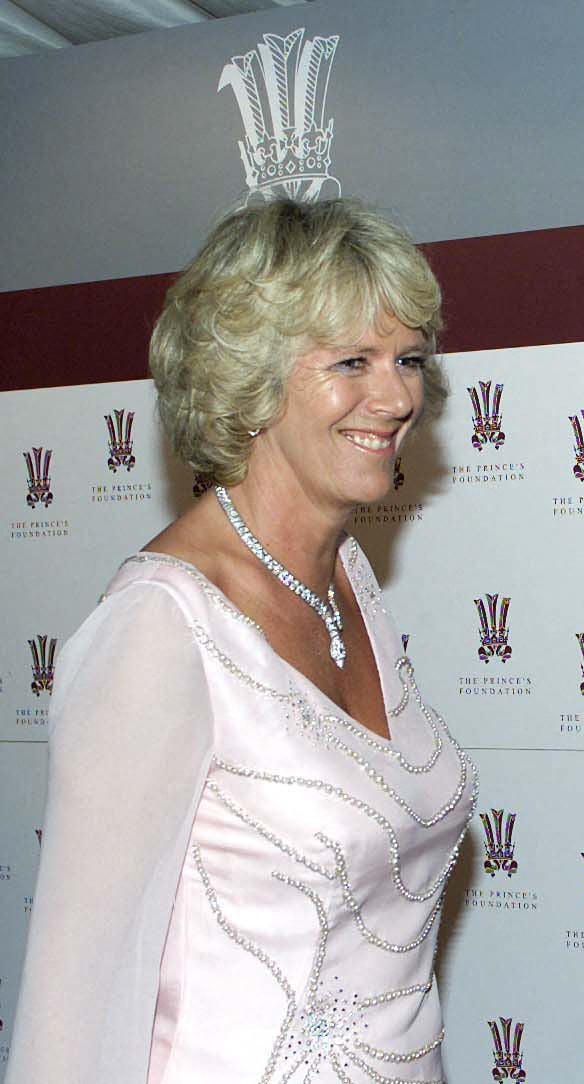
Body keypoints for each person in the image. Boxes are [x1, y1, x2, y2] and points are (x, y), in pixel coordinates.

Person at [8, 199, 476, 1082]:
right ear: (249, 383)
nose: (399, 395)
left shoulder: (349, 584)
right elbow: (71, 1010)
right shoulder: (159, 630)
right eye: (353, 362)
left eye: (409, 358)